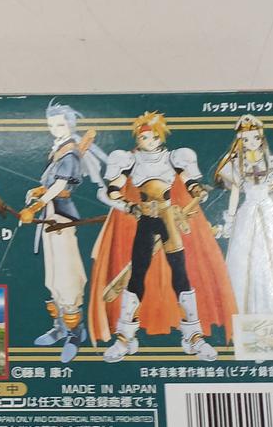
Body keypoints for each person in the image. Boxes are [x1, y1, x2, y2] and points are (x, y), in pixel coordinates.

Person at [88, 111, 235, 360]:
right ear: (138, 138)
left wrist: (197, 190)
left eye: (154, 137)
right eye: (144, 137)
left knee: (180, 274)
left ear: (161, 137)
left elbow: (189, 181)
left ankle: (194, 336)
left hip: (168, 219)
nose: (150, 141)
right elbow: (113, 189)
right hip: (145, 219)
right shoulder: (129, 160)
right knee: (137, 276)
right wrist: (127, 204)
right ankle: (125, 338)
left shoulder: (174, 157)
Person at [25, 101, 107, 363]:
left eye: (60, 124)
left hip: (62, 218)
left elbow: (61, 185)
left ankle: (75, 332)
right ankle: (60, 326)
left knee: (67, 276)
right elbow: (52, 183)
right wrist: (40, 193)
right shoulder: (59, 149)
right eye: (51, 125)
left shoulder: (69, 153)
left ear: (70, 125)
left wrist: (36, 205)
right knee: (53, 276)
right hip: (50, 215)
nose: (55, 129)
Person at [213, 115, 273, 313]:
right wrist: (230, 221)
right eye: (246, 139)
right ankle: (244, 309)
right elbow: (235, 194)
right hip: (247, 213)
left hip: (269, 211)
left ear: (261, 138)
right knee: (244, 257)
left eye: (255, 137)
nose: (252, 142)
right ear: (240, 140)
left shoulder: (271, 161)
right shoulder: (237, 164)